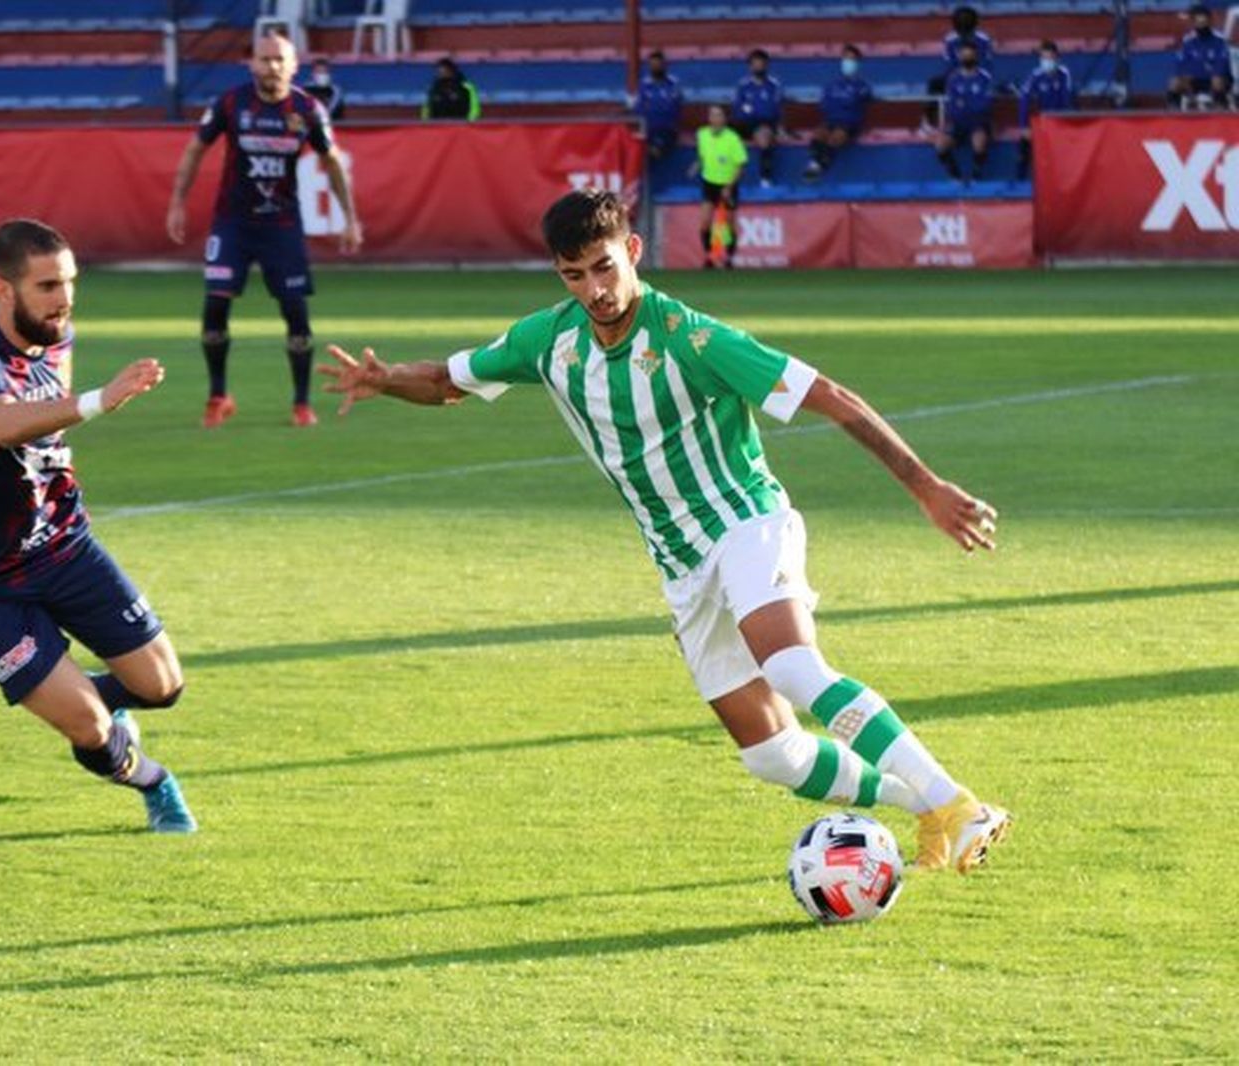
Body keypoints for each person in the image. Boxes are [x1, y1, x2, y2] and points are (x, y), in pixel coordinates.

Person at [318, 189, 1011, 873]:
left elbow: (827, 395)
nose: (595, 290)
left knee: (791, 667)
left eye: (604, 267)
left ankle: (958, 805)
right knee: (772, 755)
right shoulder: (548, 339)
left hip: (744, 522)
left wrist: (926, 486)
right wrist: (386, 379)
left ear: (633, 250)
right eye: (574, 275)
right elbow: (448, 381)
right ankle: (924, 805)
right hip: (680, 563)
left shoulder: (691, 337)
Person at [0, 218, 196, 834]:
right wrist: (101, 400)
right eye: (46, 286)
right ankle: (154, 780)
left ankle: (78, 690)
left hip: (61, 543)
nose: (63, 299)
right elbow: (2, 424)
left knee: (162, 686)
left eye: (69, 283)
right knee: (90, 728)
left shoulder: (57, 335)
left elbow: (46, 424)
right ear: (3, 289)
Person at [166, 31, 363, 429]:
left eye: (279, 59)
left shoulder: (307, 109)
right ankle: (218, 396)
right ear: (251, 63)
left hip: (281, 226)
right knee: (215, 306)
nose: (271, 66)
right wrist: (177, 202)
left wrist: (349, 217)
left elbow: (332, 161)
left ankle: (301, 403)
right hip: (233, 224)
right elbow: (196, 148)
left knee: (295, 312)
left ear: (293, 66)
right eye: (264, 58)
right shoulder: (230, 103)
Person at [804, 45, 873, 182]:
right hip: (831, 121)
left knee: (836, 136)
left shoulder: (862, 85)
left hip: (850, 124)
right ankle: (815, 164)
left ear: (858, 63)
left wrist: (844, 106)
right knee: (818, 134)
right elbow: (825, 105)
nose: (848, 63)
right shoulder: (832, 85)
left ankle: (819, 167)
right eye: (845, 59)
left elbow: (858, 104)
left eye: (852, 60)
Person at [693, 104, 746, 269]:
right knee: (705, 222)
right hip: (709, 183)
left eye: (718, 115)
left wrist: (729, 187)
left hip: (727, 184)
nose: (715, 118)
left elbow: (740, 166)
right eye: (712, 115)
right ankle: (710, 256)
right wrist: (696, 166)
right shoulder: (702, 135)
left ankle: (729, 258)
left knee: (729, 223)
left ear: (724, 119)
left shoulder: (733, 138)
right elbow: (703, 156)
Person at [925, 5, 994, 129]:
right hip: (957, 76)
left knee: (980, 88)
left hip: (978, 76)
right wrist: (959, 76)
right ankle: (930, 122)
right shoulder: (950, 40)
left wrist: (973, 75)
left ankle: (982, 125)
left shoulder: (984, 40)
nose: (964, 34)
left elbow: (986, 65)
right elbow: (949, 65)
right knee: (935, 84)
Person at [935, 41, 995, 183]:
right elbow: (951, 106)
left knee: (979, 141)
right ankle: (955, 176)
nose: (966, 58)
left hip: (978, 122)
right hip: (958, 124)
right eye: (964, 55)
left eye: (970, 55)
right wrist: (970, 102)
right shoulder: (953, 79)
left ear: (976, 56)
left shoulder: (984, 77)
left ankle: (975, 175)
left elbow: (984, 105)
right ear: (960, 57)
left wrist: (964, 103)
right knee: (940, 144)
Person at [1016, 41, 1076, 180]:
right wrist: (1024, 126)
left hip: (1059, 121)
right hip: (1041, 121)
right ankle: (1020, 180)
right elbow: (1024, 100)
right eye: (1044, 58)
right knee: (1024, 142)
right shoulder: (1035, 75)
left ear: (1057, 58)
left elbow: (1066, 101)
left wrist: (1061, 124)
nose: (1047, 61)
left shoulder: (1064, 75)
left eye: (1050, 58)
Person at [1167, 3, 1232, 110]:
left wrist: (1211, 74)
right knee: (1174, 82)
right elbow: (1182, 64)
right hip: (1195, 79)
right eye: (1198, 23)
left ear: (1209, 22)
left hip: (1217, 78)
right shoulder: (1188, 41)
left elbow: (1221, 65)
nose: (1201, 26)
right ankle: (1173, 111)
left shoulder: (1220, 40)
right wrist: (1186, 78)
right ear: (1194, 23)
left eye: (1204, 23)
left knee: (1217, 80)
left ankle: (1221, 108)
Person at [733, 49, 782, 187]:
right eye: (755, 64)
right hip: (745, 123)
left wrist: (752, 111)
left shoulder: (774, 85)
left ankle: (765, 177)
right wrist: (751, 112)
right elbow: (738, 109)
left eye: (761, 64)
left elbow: (772, 110)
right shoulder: (743, 85)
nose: (758, 67)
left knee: (764, 137)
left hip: (765, 123)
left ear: (766, 65)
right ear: (750, 66)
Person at [633, 50, 685, 164]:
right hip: (649, 131)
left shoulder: (673, 83)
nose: (656, 67)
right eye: (653, 64)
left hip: (668, 130)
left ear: (664, 65)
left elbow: (676, 107)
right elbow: (638, 109)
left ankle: (657, 147)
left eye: (658, 64)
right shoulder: (644, 84)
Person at [304, 56, 345, 121]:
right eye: (319, 71)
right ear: (312, 74)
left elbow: (331, 110)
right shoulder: (305, 89)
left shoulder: (335, 90)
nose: (322, 74)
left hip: (332, 123)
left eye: (324, 71)